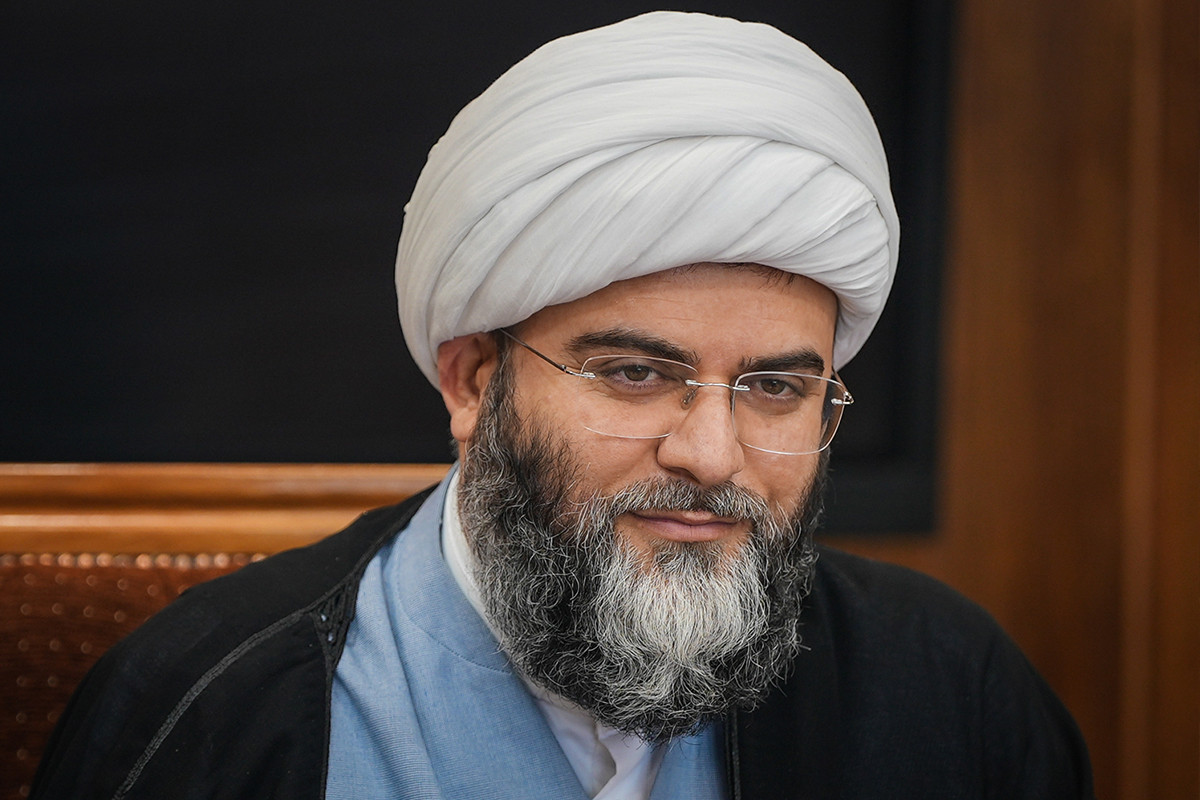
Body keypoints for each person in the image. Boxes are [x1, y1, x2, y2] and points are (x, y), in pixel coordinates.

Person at [32, 12, 1094, 799]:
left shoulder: (951, 691)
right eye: (635, 373)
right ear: (473, 381)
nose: (711, 454)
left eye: (775, 387)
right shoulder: (211, 708)